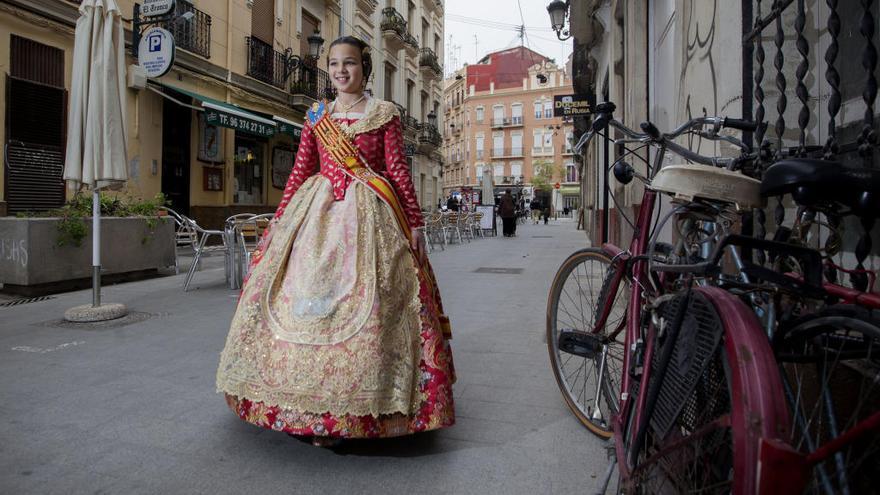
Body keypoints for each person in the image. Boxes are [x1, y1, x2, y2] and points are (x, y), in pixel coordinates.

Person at [216, 36, 455, 447]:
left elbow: (397, 172)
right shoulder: (316, 116)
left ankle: (367, 410)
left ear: (365, 68)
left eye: (350, 63)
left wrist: (414, 223)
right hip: (316, 219)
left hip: (371, 218)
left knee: (376, 303)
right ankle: (303, 406)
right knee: (306, 301)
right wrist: (278, 223)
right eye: (334, 65)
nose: (341, 71)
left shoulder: (384, 114)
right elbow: (300, 170)